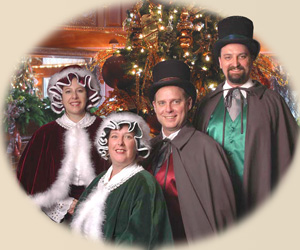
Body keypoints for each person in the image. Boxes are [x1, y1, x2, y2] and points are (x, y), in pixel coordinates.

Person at [193, 16, 299, 217]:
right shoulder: (206, 106)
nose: (235, 63)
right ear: (219, 62)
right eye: (228, 57)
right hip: (217, 209)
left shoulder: (273, 102)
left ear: (251, 59)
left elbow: (290, 158)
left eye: (242, 56)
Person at [142, 59, 236, 244]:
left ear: (189, 103)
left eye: (175, 101)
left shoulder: (207, 149)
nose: (168, 109)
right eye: (162, 103)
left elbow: (225, 215)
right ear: (154, 106)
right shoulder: (148, 149)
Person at [16, 65, 109, 223]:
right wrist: (66, 205)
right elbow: (29, 180)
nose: (74, 96)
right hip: (55, 216)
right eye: (68, 91)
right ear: (59, 96)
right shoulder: (44, 134)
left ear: (88, 94)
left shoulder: (106, 129)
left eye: (80, 90)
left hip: (100, 212)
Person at [71, 111, 173, 249]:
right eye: (114, 136)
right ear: (106, 143)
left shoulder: (144, 184)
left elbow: (137, 241)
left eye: (128, 137)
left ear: (138, 144)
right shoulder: (99, 180)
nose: (120, 143)